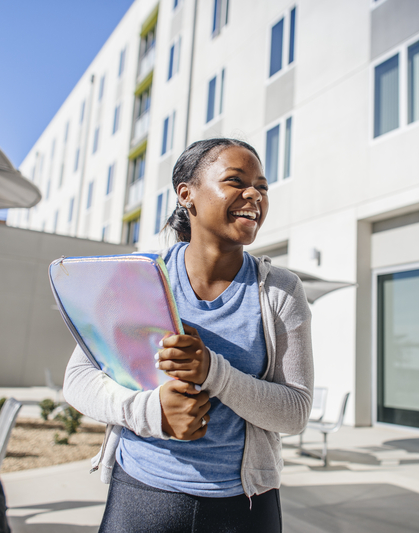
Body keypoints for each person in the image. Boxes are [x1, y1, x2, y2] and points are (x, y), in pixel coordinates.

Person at [63, 138, 314, 532]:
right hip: (143, 494)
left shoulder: (281, 290)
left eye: (262, 187)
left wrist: (213, 371)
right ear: (187, 194)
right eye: (236, 181)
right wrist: (154, 413)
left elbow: (295, 411)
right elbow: (77, 380)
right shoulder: (135, 278)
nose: (255, 195)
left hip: (245, 504)